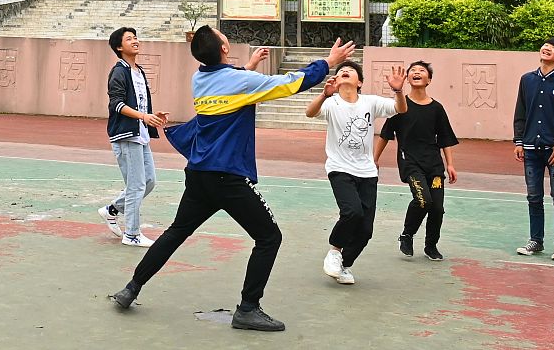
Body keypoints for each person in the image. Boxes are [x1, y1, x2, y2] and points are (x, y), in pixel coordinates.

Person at [110, 27, 355, 332]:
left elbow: (231, 81)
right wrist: (328, 62)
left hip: (199, 174)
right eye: (222, 36)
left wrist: (249, 67)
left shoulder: (199, 78)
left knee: (176, 232)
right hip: (227, 178)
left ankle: (131, 288)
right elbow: (290, 83)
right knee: (269, 237)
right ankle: (248, 309)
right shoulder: (240, 82)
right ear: (224, 48)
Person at [306, 61, 406, 285]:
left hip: (367, 171)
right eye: (341, 71)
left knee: (365, 231)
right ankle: (334, 251)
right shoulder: (331, 103)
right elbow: (310, 113)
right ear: (336, 80)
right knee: (352, 212)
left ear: (359, 82)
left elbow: (401, 109)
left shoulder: (370, 102)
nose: (345, 71)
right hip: (339, 168)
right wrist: (323, 95)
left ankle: (344, 265)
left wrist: (398, 91)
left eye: (350, 71)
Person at [374, 60, 459, 262]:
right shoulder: (400, 106)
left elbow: (445, 138)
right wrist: (374, 159)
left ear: (429, 80)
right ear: (407, 78)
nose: (417, 72)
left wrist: (450, 164)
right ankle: (407, 235)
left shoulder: (437, 108)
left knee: (437, 208)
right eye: (413, 70)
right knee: (423, 200)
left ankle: (431, 246)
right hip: (410, 162)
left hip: (434, 165)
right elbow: (385, 135)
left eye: (422, 70)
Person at [98, 27, 169, 248]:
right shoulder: (119, 71)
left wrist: (151, 116)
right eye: (129, 39)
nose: (135, 41)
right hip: (126, 134)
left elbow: (140, 103)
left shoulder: (139, 71)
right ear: (119, 47)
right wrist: (143, 116)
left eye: (136, 37)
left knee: (149, 181)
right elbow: (117, 104)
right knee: (136, 185)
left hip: (140, 133)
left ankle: (112, 209)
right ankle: (132, 234)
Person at [513, 38, 554, 261]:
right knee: (534, 197)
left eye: (553, 47)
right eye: (545, 45)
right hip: (531, 149)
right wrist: (519, 141)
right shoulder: (527, 80)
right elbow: (521, 112)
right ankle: (536, 240)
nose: (547, 48)